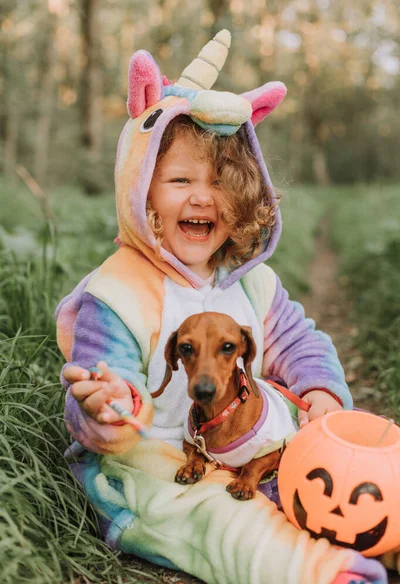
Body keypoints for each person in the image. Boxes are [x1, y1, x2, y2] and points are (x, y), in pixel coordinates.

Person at [56, 31, 387, 584]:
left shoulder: (251, 284)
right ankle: (323, 573)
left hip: (243, 445)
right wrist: (106, 405)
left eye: (220, 184)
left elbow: (299, 341)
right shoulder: (118, 292)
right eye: (179, 179)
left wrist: (321, 394)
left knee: (337, 477)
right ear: (140, 191)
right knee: (228, 523)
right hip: (151, 472)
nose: (201, 196)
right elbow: (99, 379)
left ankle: (384, 529)